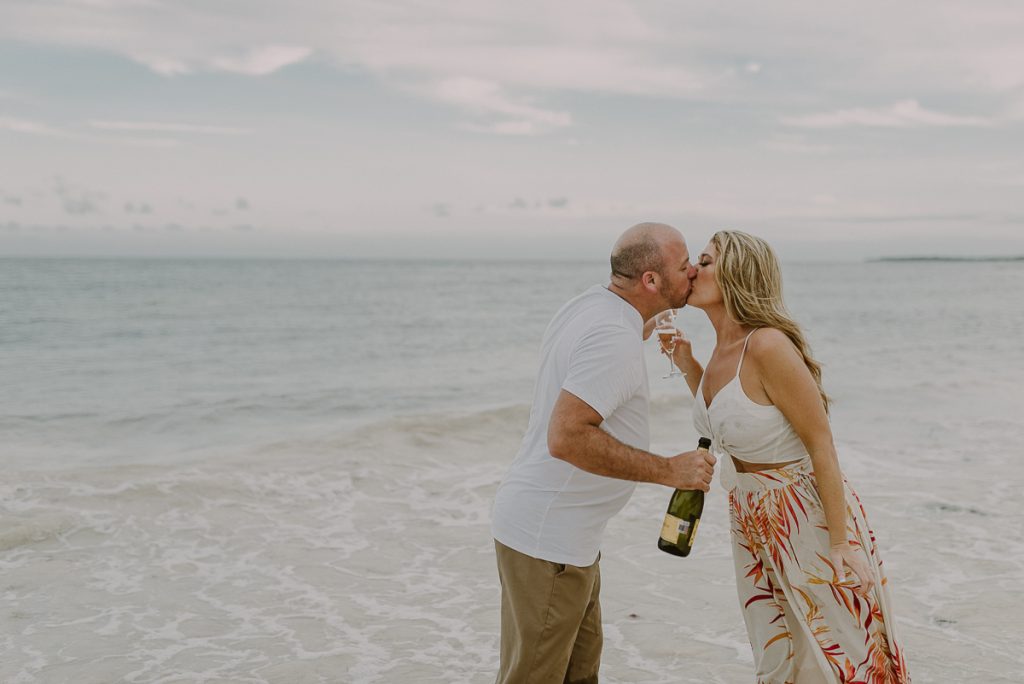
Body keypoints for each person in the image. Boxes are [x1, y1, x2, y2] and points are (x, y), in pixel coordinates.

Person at [665, 230, 910, 683]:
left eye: (705, 259)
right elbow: (727, 419)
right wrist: (686, 364)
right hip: (749, 514)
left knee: (840, 652)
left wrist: (840, 544)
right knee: (779, 652)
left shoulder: (768, 345)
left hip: (802, 513)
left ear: (737, 273)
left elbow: (822, 445)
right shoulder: (723, 351)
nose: (692, 270)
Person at [491, 222, 717, 684]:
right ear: (651, 281)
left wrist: (657, 328)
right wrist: (668, 471)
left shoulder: (593, 306)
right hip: (549, 543)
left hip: (565, 540)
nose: (692, 270)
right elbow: (567, 436)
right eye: (682, 264)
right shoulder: (613, 335)